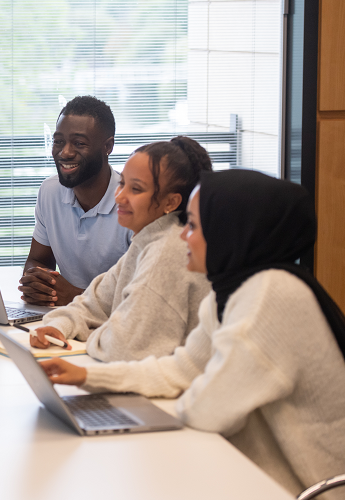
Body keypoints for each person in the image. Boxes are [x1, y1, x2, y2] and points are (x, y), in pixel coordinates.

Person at [39, 169, 345, 497]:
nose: (182, 236)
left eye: (195, 226)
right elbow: (181, 369)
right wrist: (85, 375)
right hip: (259, 473)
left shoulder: (271, 294)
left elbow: (209, 409)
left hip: (305, 488)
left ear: (230, 231)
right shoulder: (230, 291)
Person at [32, 137, 212, 362]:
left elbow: (123, 349)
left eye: (136, 189)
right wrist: (59, 327)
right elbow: (93, 303)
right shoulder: (147, 239)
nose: (120, 197)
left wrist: (93, 335)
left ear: (171, 202)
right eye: (122, 183)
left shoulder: (168, 251)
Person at [19, 96, 131, 306]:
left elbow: (141, 297)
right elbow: (38, 260)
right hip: (66, 319)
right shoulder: (49, 192)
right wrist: (38, 282)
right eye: (59, 141)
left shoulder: (132, 203)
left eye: (79, 143)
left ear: (108, 146)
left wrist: (75, 296)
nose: (65, 152)